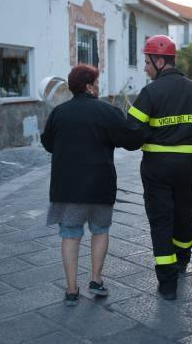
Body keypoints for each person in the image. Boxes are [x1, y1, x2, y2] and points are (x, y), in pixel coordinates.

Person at [42, 64, 142, 306]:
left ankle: (71, 289)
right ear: (88, 86)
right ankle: (96, 280)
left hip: (67, 188)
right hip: (99, 185)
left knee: (70, 235)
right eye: (96, 82)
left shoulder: (59, 113)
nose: (99, 86)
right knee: (100, 230)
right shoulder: (107, 111)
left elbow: (48, 143)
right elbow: (130, 140)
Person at [127, 35, 192, 300]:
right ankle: (182, 261)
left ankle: (167, 285)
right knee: (184, 214)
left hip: (156, 169)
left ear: (159, 60)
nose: (144, 67)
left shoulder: (150, 93)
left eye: (146, 62)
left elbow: (132, 136)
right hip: (186, 168)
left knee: (161, 221)